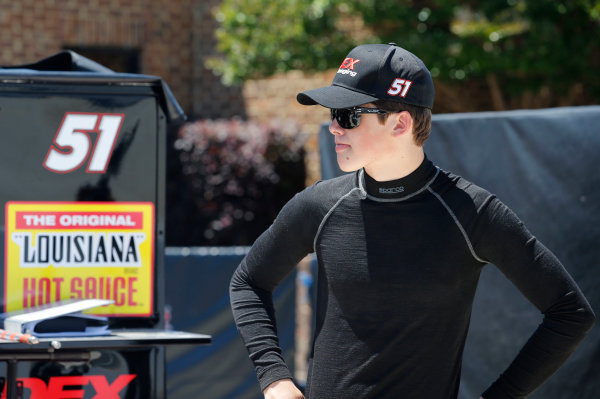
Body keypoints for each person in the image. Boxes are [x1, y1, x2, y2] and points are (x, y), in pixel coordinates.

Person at [229, 43, 595, 399]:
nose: (334, 128)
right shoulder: (319, 205)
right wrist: (274, 377)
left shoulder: (471, 212)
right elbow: (248, 281)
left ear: (401, 123)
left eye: (348, 115)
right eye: (332, 115)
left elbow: (570, 313)